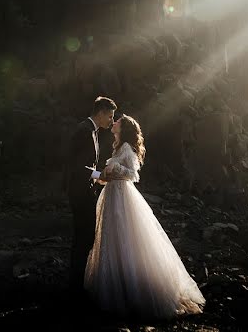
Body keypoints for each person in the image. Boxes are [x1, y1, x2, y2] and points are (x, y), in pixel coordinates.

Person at [84, 115, 205, 320]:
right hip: (113, 194)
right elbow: (106, 177)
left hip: (123, 196)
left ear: (124, 128)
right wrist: (93, 175)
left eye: (117, 122)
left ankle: (132, 288)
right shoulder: (117, 147)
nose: (113, 123)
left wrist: (114, 169)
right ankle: (117, 282)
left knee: (127, 237)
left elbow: (133, 174)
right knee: (112, 237)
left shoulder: (127, 148)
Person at [66, 96, 116, 295]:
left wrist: (97, 178)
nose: (111, 121)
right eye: (110, 116)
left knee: (84, 237)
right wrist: (99, 175)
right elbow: (77, 166)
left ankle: (77, 282)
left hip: (84, 189)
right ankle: (76, 286)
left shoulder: (90, 130)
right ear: (101, 112)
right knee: (84, 237)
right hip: (79, 192)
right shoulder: (85, 131)